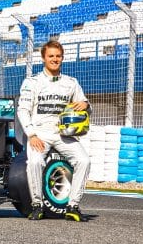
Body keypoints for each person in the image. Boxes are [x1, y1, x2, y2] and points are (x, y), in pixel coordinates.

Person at [17, 40, 91, 222]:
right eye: (51, 56)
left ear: (62, 58)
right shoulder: (32, 82)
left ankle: (73, 206)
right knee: (34, 162)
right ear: (43, 58)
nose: (55, 59)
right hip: (40, 132)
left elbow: (85, 105)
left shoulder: (71, 83)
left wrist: (86, 104)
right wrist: (31, 134)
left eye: (58, 56)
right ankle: (37, 205)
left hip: (63, 133)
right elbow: (22, 110)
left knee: (84, 160)